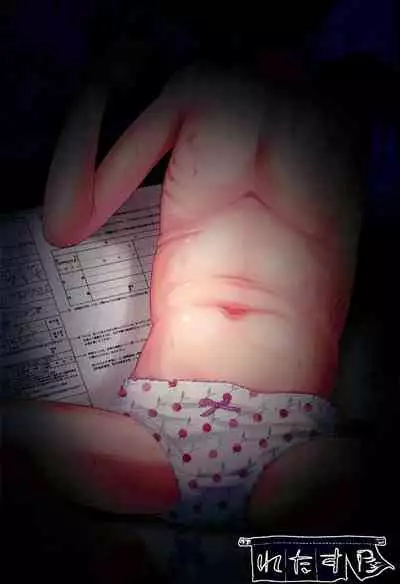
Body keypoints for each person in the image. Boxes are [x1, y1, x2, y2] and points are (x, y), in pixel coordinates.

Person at [4, 57, 364, 530]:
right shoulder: (195, 89)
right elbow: (66, 223)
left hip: (292, 439)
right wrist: (97, 83)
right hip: (157, 430)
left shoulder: (344, 107)